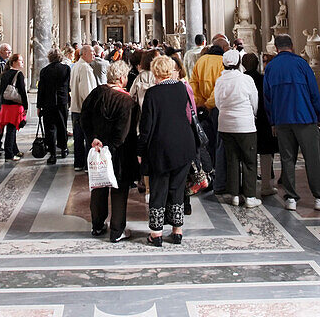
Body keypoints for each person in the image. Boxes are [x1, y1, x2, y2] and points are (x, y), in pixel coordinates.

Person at [263, 34, 320, 211]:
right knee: (313, 158)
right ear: (292, 46)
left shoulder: (271, 67)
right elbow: (314, 92)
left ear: (276, 48)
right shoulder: (301, 64)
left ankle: (290, 197)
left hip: (281, 119)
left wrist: (273, 121)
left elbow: (267, 98)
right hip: (304, 117)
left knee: (287, 159)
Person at [138, 55, 196, 246]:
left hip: (160, 146)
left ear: (155, 71)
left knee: (159, 189)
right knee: (177, 189)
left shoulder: (153, 93)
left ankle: (156, 234)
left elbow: (146, 126)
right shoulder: (181, 88)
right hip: (183, 144)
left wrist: (141, 150)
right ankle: (177, 231)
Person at [81, 60, 139, 243]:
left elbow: (84, 118)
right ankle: (116, 230)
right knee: (119, 190)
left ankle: (97, 226)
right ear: (122, 78)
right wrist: (110, 147)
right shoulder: (127, 101)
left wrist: (93, 139)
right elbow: (123, 131)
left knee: (98, 187)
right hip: (119, 152)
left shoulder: (95, 94)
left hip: (97, 149)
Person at [213, 48, 261, 208]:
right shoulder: (246, 80)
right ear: (239, 63)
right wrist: (251, 114)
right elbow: (254, 101)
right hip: (245, 124)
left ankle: (234, 195)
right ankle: (250, 196)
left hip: (226, 124)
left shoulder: (220, 81)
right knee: (249, 161)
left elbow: (218, 103)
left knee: (232, 160)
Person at [190, 33, 230, 193]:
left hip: (203, 109)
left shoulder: (201, 61)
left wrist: (200, 103)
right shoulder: (222, 62)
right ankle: (220, 178)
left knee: (207, 144)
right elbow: (220, 88)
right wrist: (208, 105)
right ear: (222, 48)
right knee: (220, 144)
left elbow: (194, 84)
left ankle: (209, 175)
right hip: (217, 108)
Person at [242, 52, 277, 196]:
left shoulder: (241, 80)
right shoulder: (264, 79)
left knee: (247, 154)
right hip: (264, 119)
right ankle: (266, 185)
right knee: (266, 153)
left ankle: (247, 186)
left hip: (246, 119)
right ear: (257, 64)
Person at [37, 47, 71, 164]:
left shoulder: (44, 71)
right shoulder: (66, 69)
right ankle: (63, 148)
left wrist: (38, 106)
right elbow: (69, 86)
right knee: (62, 125)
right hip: (62, 101)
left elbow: (41, 89)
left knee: (50, 128)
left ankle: (52, 154)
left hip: (48, 102)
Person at [70, 44, 97, 170]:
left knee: (78, 138)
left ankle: (79, 163)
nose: (94, 54)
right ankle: (87, 164)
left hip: (75, 107)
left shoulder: (76, 65)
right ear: (84, 54)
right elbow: (86, 92)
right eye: (92, 52)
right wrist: (92, 108)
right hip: (84, 109)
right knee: (88, 137)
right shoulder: (85, 68)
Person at [0, 52, 28, 161]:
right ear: (14, 62)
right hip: (14, 105)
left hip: (5, 105)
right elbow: (23, 92)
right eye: (20, 60)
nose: (22, 62)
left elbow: (0, 90)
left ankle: (14, 150)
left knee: (10, 128)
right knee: (11, 129)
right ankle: (9, 154)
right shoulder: (18, 74)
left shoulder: (5, 73)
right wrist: (26, 106)